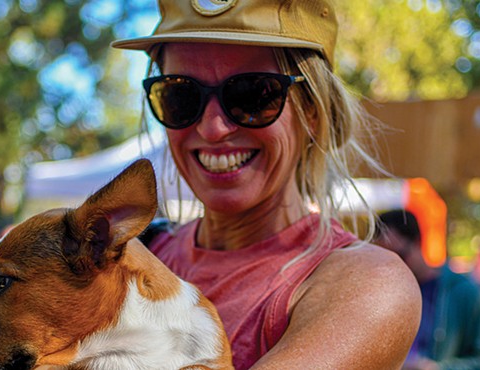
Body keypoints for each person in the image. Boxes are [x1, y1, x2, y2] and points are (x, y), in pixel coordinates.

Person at [111, 0, 422, 368]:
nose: (213, 128)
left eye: (254, 95)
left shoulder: (365, 284)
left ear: (313, 111)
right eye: (180, 95)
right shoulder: (131, 256)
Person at [374, 209, 480, 370]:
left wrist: (436, 368)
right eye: (384, 261)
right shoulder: (382, 294)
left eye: (399, 256)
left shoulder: (463, 291)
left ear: (418, 242)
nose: (394, 266)